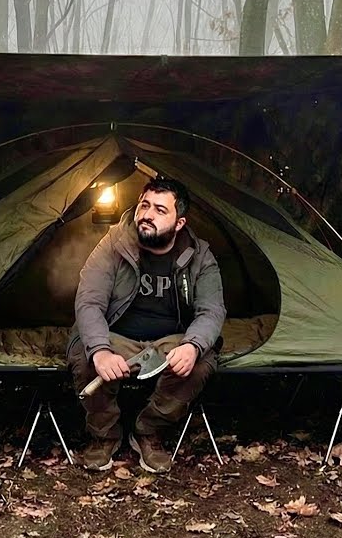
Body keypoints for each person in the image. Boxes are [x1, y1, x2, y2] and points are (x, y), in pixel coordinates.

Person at [67, 177, 226, 473]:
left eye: (160, 210)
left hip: (170, 340)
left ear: (179, 223)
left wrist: (192, 345)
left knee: (201, 359)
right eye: (144, 205)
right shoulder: (113, 245)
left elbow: (212, 311)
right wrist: (100, 351)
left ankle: (148, 431)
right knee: (85, 350)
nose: (147, 215)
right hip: (118, 336)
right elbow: (89, 302)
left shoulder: (199, 255)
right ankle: (104, 436)